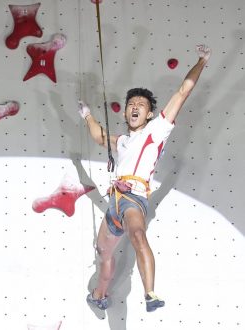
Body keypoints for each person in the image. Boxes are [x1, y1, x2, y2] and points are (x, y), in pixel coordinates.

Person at [78, 45, 211, 312]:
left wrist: (201, 61)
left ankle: (150, 293)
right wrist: (88, 115)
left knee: (138, 234)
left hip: (133, 199)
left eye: (141, 104)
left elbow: (183, 92)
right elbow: (99, 136)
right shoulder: (123, 141)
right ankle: (99, 294)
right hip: (113, 204)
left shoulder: (157, 130)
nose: (134, 107)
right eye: (131, 104)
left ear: (150, 114)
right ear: (126, 113)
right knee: (103, 254)